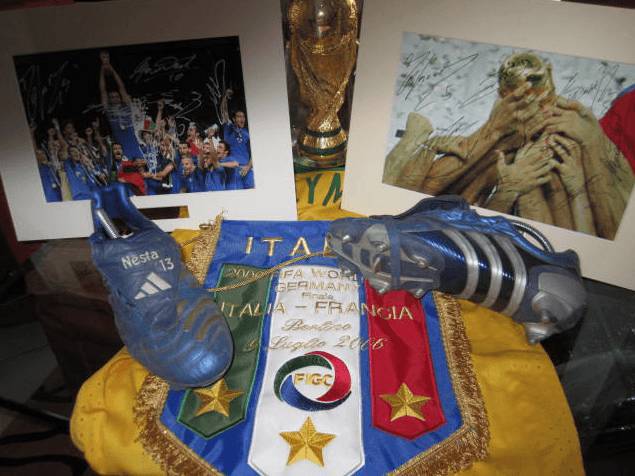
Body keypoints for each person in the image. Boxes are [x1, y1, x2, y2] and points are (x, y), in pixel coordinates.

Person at [383, 51, 633, 240]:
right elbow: (412, 204)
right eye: (523, 103)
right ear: (505, 98)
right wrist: (493, 144)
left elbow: (610, 230)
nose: (539, 112)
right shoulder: (502, 143)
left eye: (544, 100)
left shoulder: (574, 135)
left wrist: (591, 147)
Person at [98, 50, 145, 162]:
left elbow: (121, 87)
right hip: (120, 147)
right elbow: (102, 90)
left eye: (116, 96)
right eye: (112, 97)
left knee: (142, 169)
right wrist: (103, 69)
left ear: (120, 97)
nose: (114, 98)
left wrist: (111, 68)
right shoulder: (108, 110)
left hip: (134, 145)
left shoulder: (126, 107)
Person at [221, 89, 254, 189]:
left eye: (243, 117)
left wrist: (248, 166)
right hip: (234, 170)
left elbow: (254, 152)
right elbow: (224, 112)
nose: (242, 119)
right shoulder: (229, 128)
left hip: (247, 170)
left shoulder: (248, 133)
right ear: (234, 119)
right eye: (239, 116)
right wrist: (225, 98)